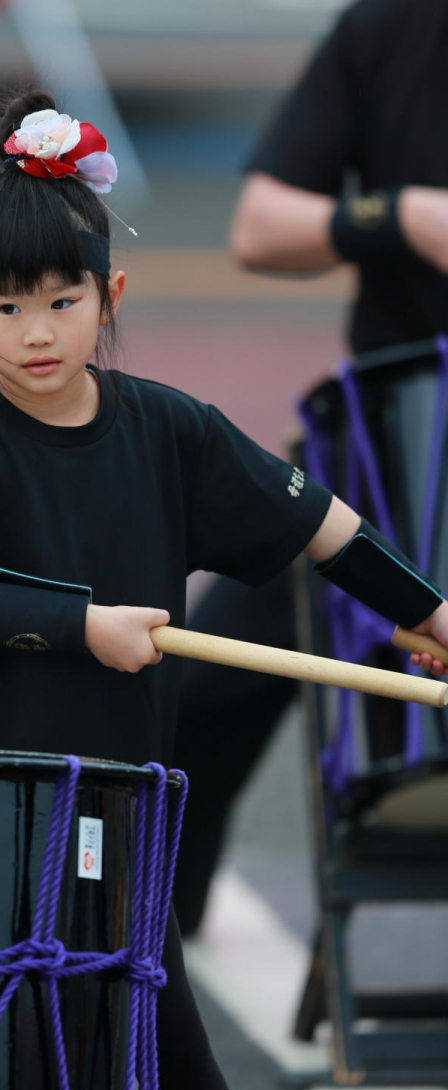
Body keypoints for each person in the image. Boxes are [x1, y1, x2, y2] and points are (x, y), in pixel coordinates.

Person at [0, 88, 448, 1090]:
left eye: (62, 299)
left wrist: (429, 615)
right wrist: (82, 626)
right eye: (5, 309)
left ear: (110, 295)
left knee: (158, 1033)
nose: (37, 331)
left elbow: (318, 523)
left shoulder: (167, 429)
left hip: (117, 795)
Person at [173, 0, 448, 936]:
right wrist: (399, 216)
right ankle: (149, 929)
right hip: (392, 449)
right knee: (198, 697)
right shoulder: (392, 28)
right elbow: (258, 227)